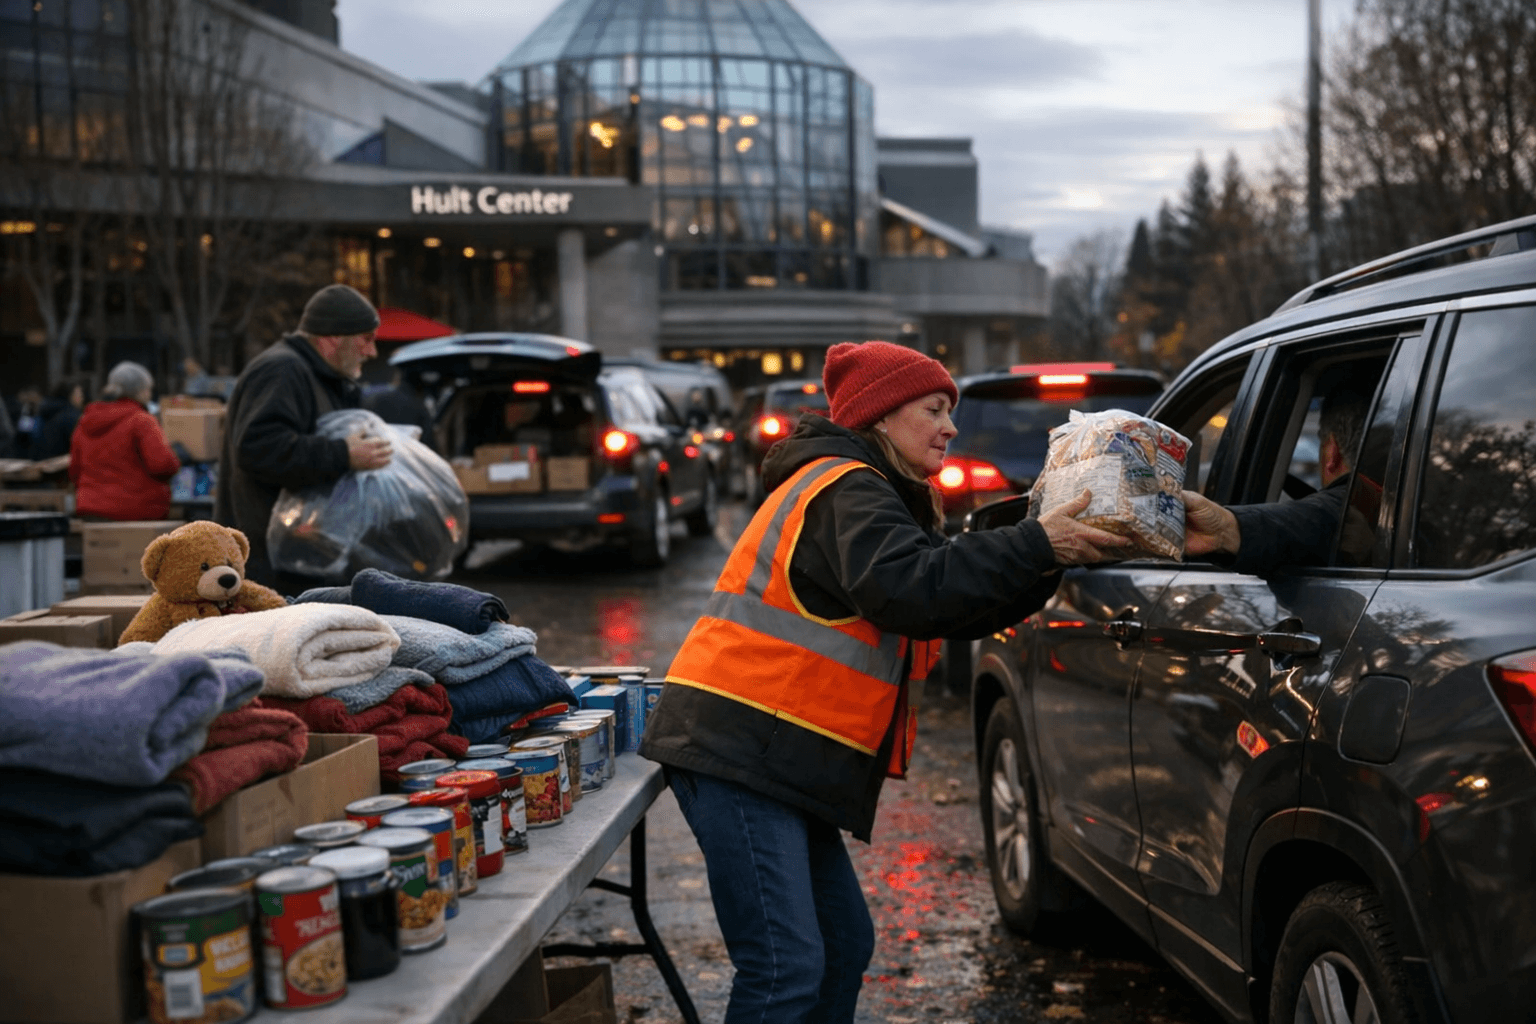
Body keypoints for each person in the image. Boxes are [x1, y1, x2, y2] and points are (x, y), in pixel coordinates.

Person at [639, 340, 1128, 1023]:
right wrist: (1037, 543)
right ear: (880, 416)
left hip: (776, 753)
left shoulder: (871, 490)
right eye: (933, 409)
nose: (950, 427)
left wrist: (1045, 556)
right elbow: (914, 591)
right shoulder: (847, 487)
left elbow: (953, 601)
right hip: (739, 748)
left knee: (841, 945)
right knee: (786, 968)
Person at [216, 283, 393, 594]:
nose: (372, 352)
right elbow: (258, 447)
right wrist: (343, 454)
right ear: (332, 338)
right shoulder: (282, 371)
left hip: (304, 560)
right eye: (366, 339)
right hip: (274, 567)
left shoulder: (323, 378)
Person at [1183, 383, 1376, 573]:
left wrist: (1223, 530)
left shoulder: (1353, 506)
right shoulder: (1395, 504)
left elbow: (1316, 518)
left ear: (1331, 452)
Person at [70, 362, 181, 520]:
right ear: (140, 391)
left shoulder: (85, 421)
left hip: (90, 510)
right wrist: (177, 457)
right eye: (148, 389)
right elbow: (162, 465)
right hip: (137, 511)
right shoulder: (142, 421)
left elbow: (74, 470)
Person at [364, 370, 436, 452]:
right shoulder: (420, 405)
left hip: (382, 451)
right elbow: (427, 441)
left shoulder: (380, 399)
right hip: (409, 454)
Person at [34, 381, 85, 460]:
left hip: (43, 461)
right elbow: (80, 445)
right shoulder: (72, 416)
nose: (82, 398)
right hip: (63, 464)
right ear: (70, 395)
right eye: (80, 394)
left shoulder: (46, 410)